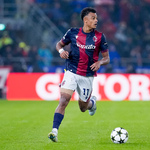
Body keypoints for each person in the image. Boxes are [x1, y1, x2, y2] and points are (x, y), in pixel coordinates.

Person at [48, 7, 110, 142]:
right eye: (93, 18)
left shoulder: (99, 37)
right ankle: (54, 131)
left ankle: (91, 103)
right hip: (71, 71)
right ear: (85, 20)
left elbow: (107, 58)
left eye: (96, 18)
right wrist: (61, 52)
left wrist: (100, 62)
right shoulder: (72, 32)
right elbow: (59, 44)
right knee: (64, 100)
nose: (96, 20)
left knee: (83, 107)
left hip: (87, 76)